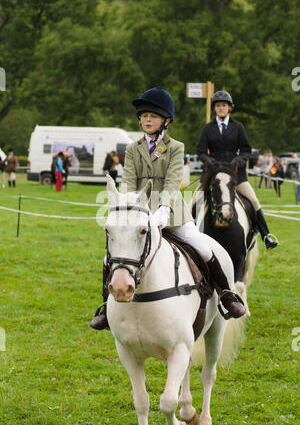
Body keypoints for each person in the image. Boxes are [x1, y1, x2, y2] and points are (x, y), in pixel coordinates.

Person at [90, 86, 246, 331]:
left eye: (152, 115)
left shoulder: (175, 147)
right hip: (139, 214)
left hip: (172, 213)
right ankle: (106, 308)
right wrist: (127, 204)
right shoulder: (132, 149)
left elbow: (173, 182)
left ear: (166, 120)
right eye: (143, 116)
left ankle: (227, 295)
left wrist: (163, 209)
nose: (147, 119)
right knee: (109, 257)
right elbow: (129, 181)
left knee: (203, 248)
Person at [197, 90, 279, 250]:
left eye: (224, 105)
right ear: (215, 108)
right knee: (195, 200)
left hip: (235, 174)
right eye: (218, 105)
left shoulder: (238, 127)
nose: (221, 108)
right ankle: (190, 233)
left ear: (229, 108)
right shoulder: (207, 128)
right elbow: (200, 151)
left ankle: (266, 235)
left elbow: (246, 150)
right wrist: (209, 161)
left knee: (254, 200)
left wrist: (238, 161)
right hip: (212, 174)